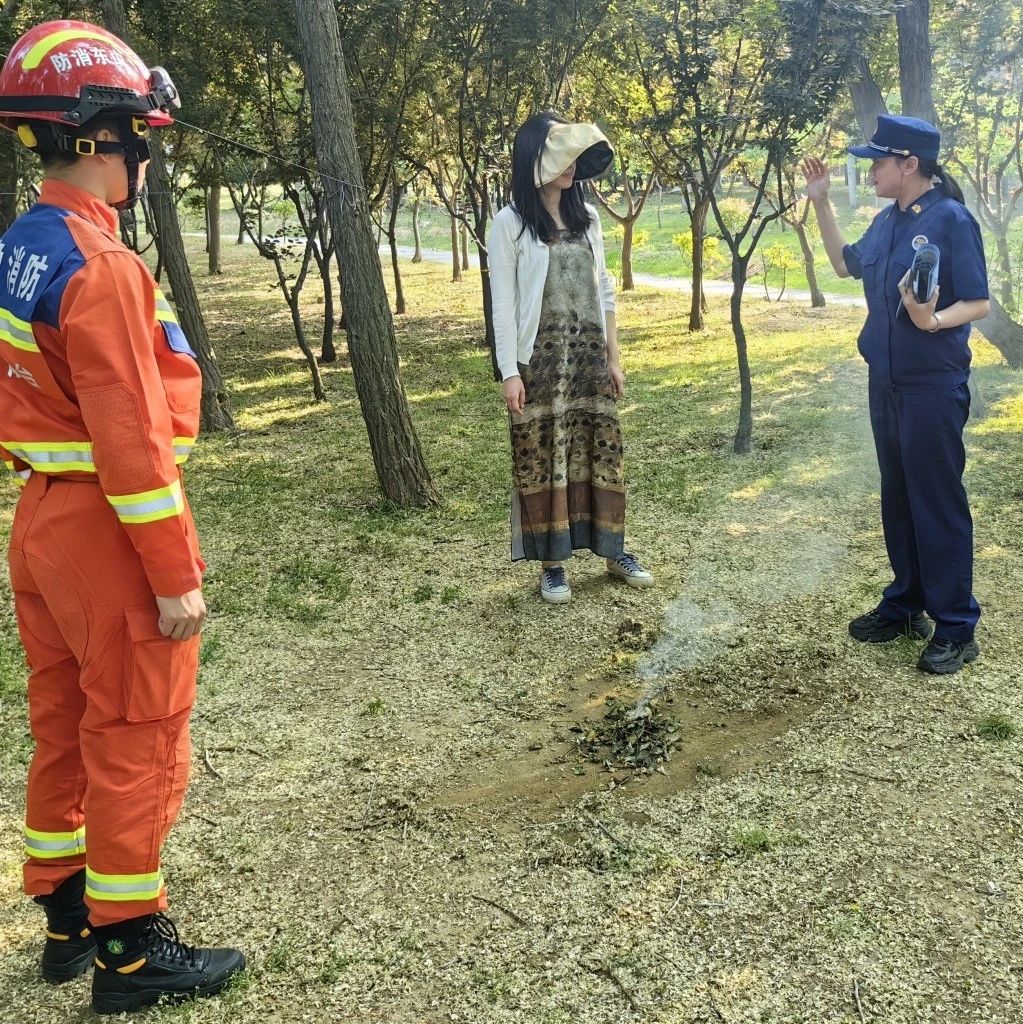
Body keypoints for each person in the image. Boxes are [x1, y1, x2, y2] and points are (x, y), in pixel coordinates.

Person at [0, 20, 244, 1013]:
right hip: (106, 528)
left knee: (62, 722)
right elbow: (136, 445)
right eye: (138, 133)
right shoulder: (102, 269)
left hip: (41, 522)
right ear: (99, 136)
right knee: (137, 729)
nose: (145, 152)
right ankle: (133, 951)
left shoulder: (23, 244)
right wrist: (175, 571)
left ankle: (63, 916)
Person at [803, 114, 990, 675]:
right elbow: (842, 264)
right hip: (884, 384)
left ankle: (956, 625)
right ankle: (906, 602)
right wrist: (821, 204)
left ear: (910, 165)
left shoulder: (952, 220)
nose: (872, 170)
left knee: (936, 501)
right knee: (899, 497)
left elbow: (977, 302)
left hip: (932, 387)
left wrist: (932, 322)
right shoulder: (887, 223)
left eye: (878, 162)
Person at [489, 112, 653, 604]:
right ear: (534, 157)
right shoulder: (510, 223)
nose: (570, 164)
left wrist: (614, 356)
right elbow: (501, 302)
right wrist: (509, 371)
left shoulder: (590, 218)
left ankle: (613, 549)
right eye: (559, 151)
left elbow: (604, 289)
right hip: (540, 362)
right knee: (545, 456)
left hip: (587, 360)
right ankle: (553, 563)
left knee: (601, 450)